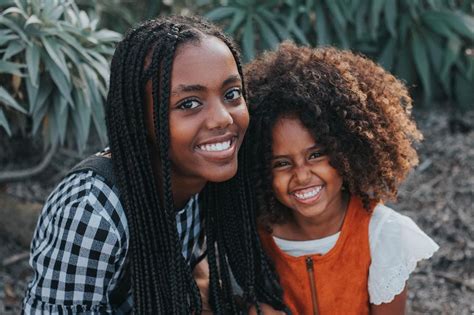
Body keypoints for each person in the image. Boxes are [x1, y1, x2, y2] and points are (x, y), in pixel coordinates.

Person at [22, 16, 286, 314]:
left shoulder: (203, 177)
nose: (223, 118)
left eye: (231, 94)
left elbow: (195, 267)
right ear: (139, 117)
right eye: (188, 103)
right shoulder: (92, 212)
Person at [244, 42, 439, 314]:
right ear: (260, 170)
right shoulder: (255, 233)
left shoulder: (381, 234)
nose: (301, 175)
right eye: (282, 163)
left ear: (346, 149)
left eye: (315, 155)